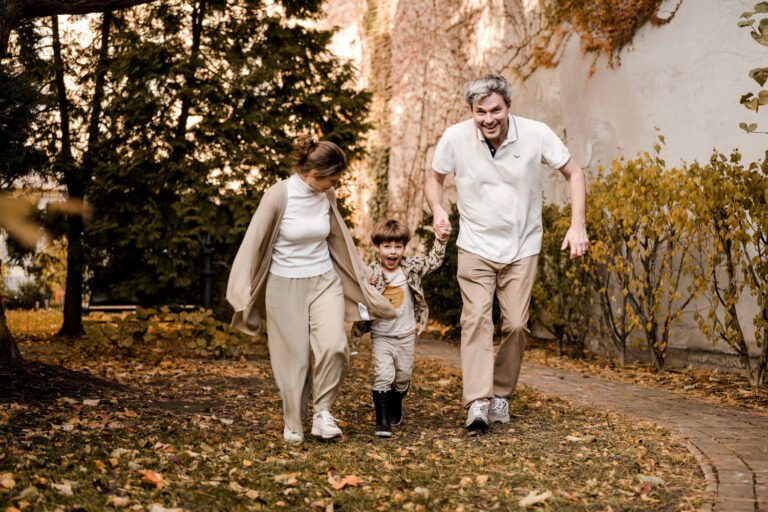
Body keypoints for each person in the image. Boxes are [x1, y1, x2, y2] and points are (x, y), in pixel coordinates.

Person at [424, 74, 589, 431]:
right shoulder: (455, 137)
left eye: (495, 110)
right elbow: (434, 178)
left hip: (522, 246)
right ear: (472, 111)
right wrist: (439, 210)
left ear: (508, 107)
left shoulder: (536, 133)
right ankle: (478, 402)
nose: (488, 119)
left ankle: (501, 394)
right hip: (474, 246)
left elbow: (574, 172)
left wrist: (578, 225)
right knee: (477, 321)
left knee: (516, 324)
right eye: (480, 112)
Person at [226, 135, 396, 442]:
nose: (335, 183)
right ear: (314, 174)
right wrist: (241, 288)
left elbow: (338, 238)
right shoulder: (278, 196)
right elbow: (253, 242)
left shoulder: (326, 195)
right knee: (296, 360)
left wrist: (360, 271)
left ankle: (322, 413)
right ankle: (293, 422)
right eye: (332, 178)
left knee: (334, 347)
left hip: (324, 280)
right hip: (284, 284)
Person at [351, 219, 446, 437]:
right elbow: (354, 284)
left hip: (406, 335)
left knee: (402, 377)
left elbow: (433, 261)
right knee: (383, 375)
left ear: (404, 248)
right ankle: (382, 421)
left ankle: (395, 401)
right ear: (377, 247)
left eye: (398, 247)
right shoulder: (371, 273)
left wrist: (441, 240)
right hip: (381, 335)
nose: (392, 252)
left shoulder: (410, 268)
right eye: (387, 246)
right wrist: (366, 283)